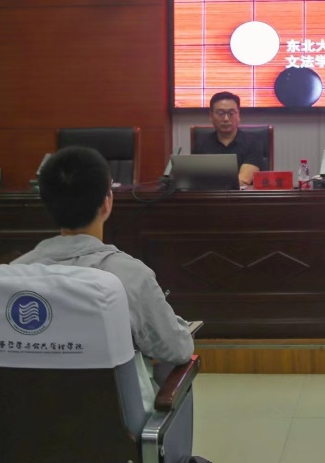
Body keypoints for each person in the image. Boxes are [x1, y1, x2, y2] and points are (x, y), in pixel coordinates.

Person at [15, 146, 194, 373]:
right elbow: (177, 349)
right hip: (112, 397)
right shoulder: (130, 276)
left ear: (46, 202)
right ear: (107, 202)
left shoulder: (14, 272)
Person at [191, 91, 268, 186]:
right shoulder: (200, 145)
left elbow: (243, 180)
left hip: (242, 195)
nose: (226, 119)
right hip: (209, 195)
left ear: (238, 115)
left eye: (231, 113)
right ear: (211, 116)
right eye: (220, 113)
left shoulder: (254, 143)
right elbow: (196, 181)